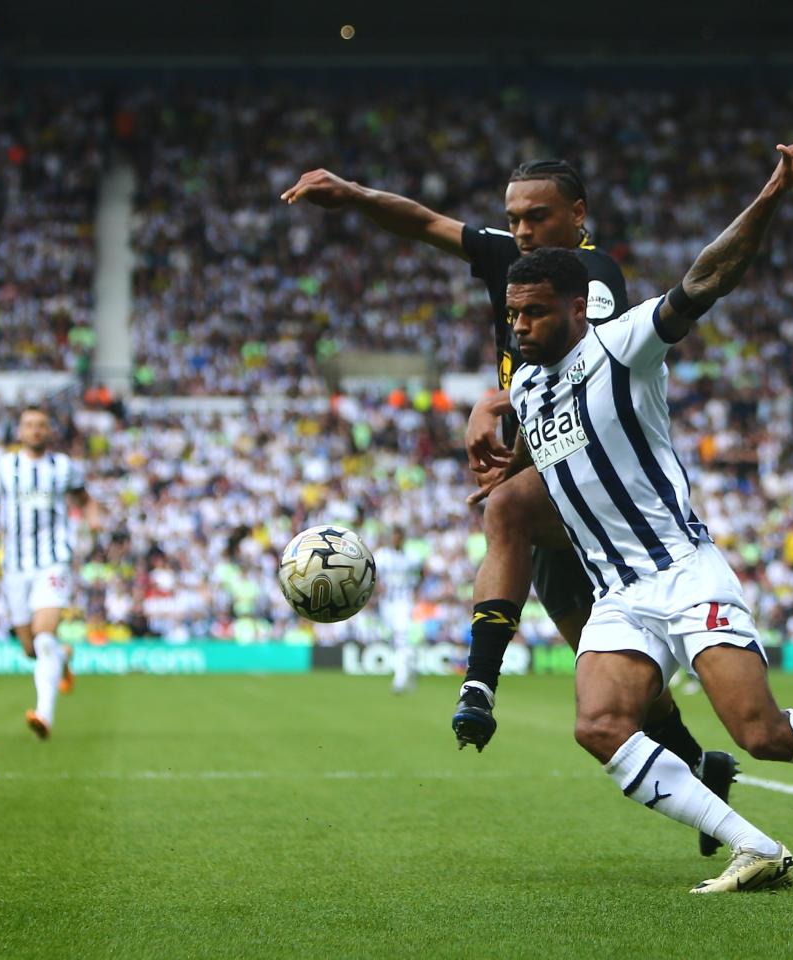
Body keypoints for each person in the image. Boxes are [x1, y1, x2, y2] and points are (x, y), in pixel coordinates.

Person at [490, 123, 793, 893]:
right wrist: (498, 468)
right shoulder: (524, 386)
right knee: (597, 726)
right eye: (512, 316)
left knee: (763, 734)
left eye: (531, 314)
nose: (518, 328)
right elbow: (560, 465)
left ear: (574, 307)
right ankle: (753, 845)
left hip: (684, 573)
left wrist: (768, 196)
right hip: (618, 595)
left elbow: (708, 276)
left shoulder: (624, 346)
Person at [281, 160, 737, 856]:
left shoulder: (593, 279)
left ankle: (479, 683)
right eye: (515, 216)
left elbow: (579, 375)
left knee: (504, 511)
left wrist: (494, 402)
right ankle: (703, 766)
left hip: (594, 474)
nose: (522, 230)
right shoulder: (506, 256)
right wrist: (351, 195)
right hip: (548, 467)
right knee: (605, 664)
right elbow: (424, 221)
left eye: (538, 217)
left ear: (578, 215)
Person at [0, 406, 102, 739]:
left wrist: (93, 517)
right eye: (29, 425)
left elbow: (85, 498)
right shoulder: (4, 466)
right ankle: (62, 657)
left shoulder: (63, 467)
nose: (35, 430)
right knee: (31, 648)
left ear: (49, 432)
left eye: (41, 425)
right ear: (20, 431)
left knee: (44, 635)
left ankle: (43, 714)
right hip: (16, 565)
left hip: (52, 561)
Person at [378, 528, 424, 694]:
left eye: (399, 537)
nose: (396, 540)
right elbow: (372, 575)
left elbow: (422, 572)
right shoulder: (382, 555)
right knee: (392, 638)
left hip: (404, 601)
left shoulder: (411, 557)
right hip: (387, 603)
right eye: (394, 537)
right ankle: (411, 666)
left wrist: (416, 591)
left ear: (403, 538)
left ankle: (399, 680)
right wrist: (378, 589)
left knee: (401, 636)